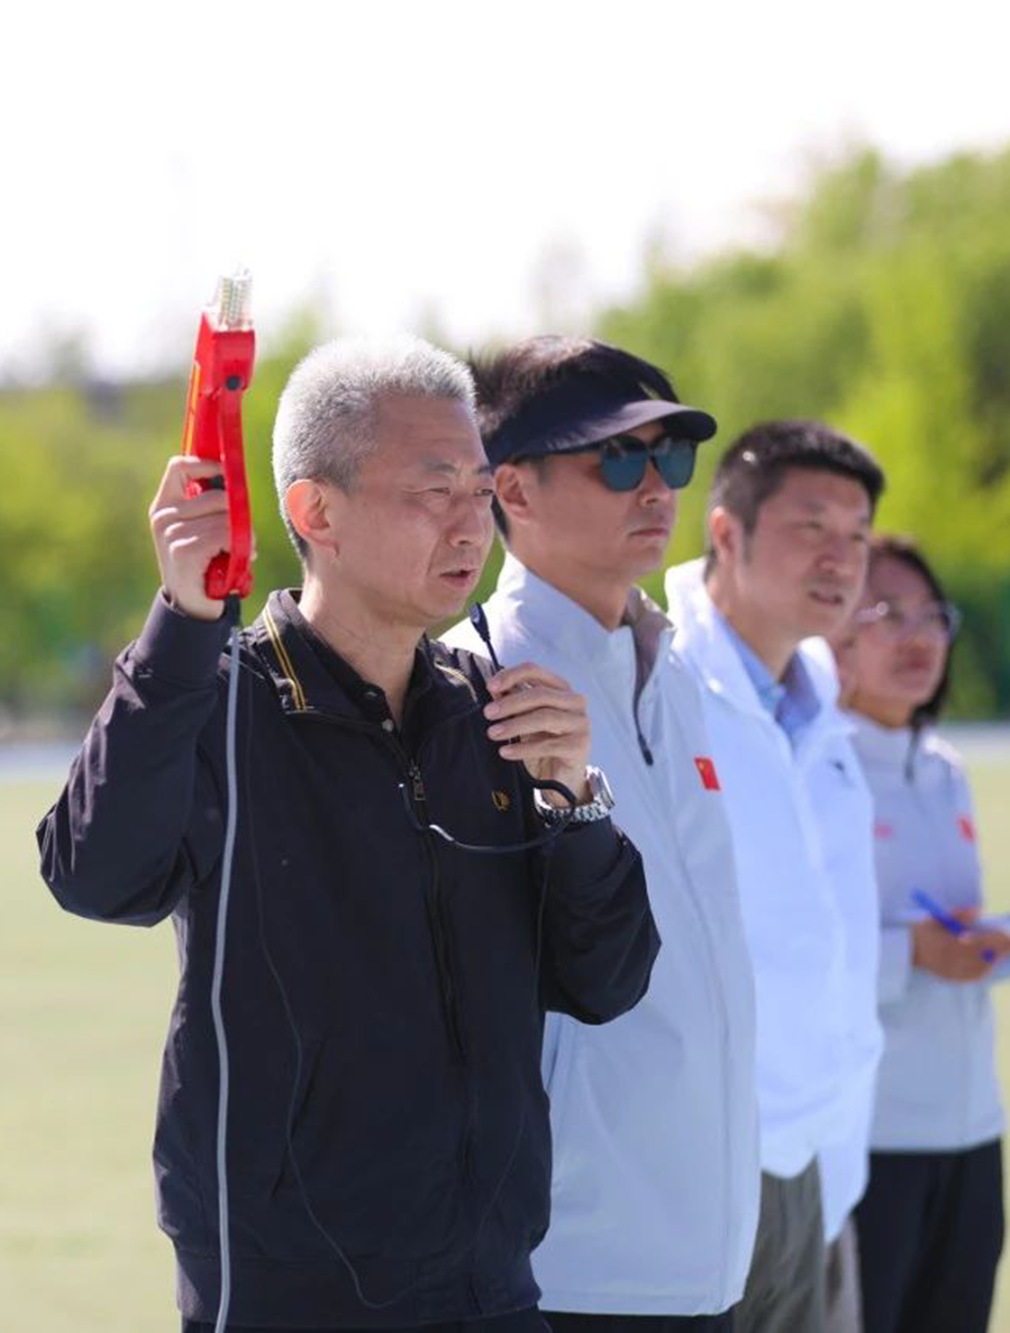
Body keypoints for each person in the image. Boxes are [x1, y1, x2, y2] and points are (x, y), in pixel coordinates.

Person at [34, 336, 659, 1333]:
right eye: (433, 491)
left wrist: (575, 801)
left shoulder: (495, 712)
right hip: (287, 1300)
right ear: (315, 511)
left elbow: (607, 980)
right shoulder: (218, 700)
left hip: (494, 1293)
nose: (471, 524)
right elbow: (95, 875)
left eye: (477, 491)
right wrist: (182, 623)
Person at [443, 337, 760, 1330]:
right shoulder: (469, 680)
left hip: (708, 1251)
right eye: (617, 458)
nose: (655, 486)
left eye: (670, 456)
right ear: (512, 489)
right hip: (566, 1265)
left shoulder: (672, 668)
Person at [663, 421, 887, 1333]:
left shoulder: (820, 692)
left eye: (858, 536)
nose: (841, 559)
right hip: (706, 1168)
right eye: (811, 528)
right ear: (726, 532)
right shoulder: (660, 679)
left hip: (823, 1160)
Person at [831, 535, 1010, 1333]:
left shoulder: (946, 766)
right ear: (833, 632)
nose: (918, 637)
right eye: (889, 613)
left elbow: (947, 925)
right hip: (871, 1136)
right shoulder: (816, 763)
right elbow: (794, 952)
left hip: (973, 1127)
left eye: (932, 615)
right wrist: (912, 951)